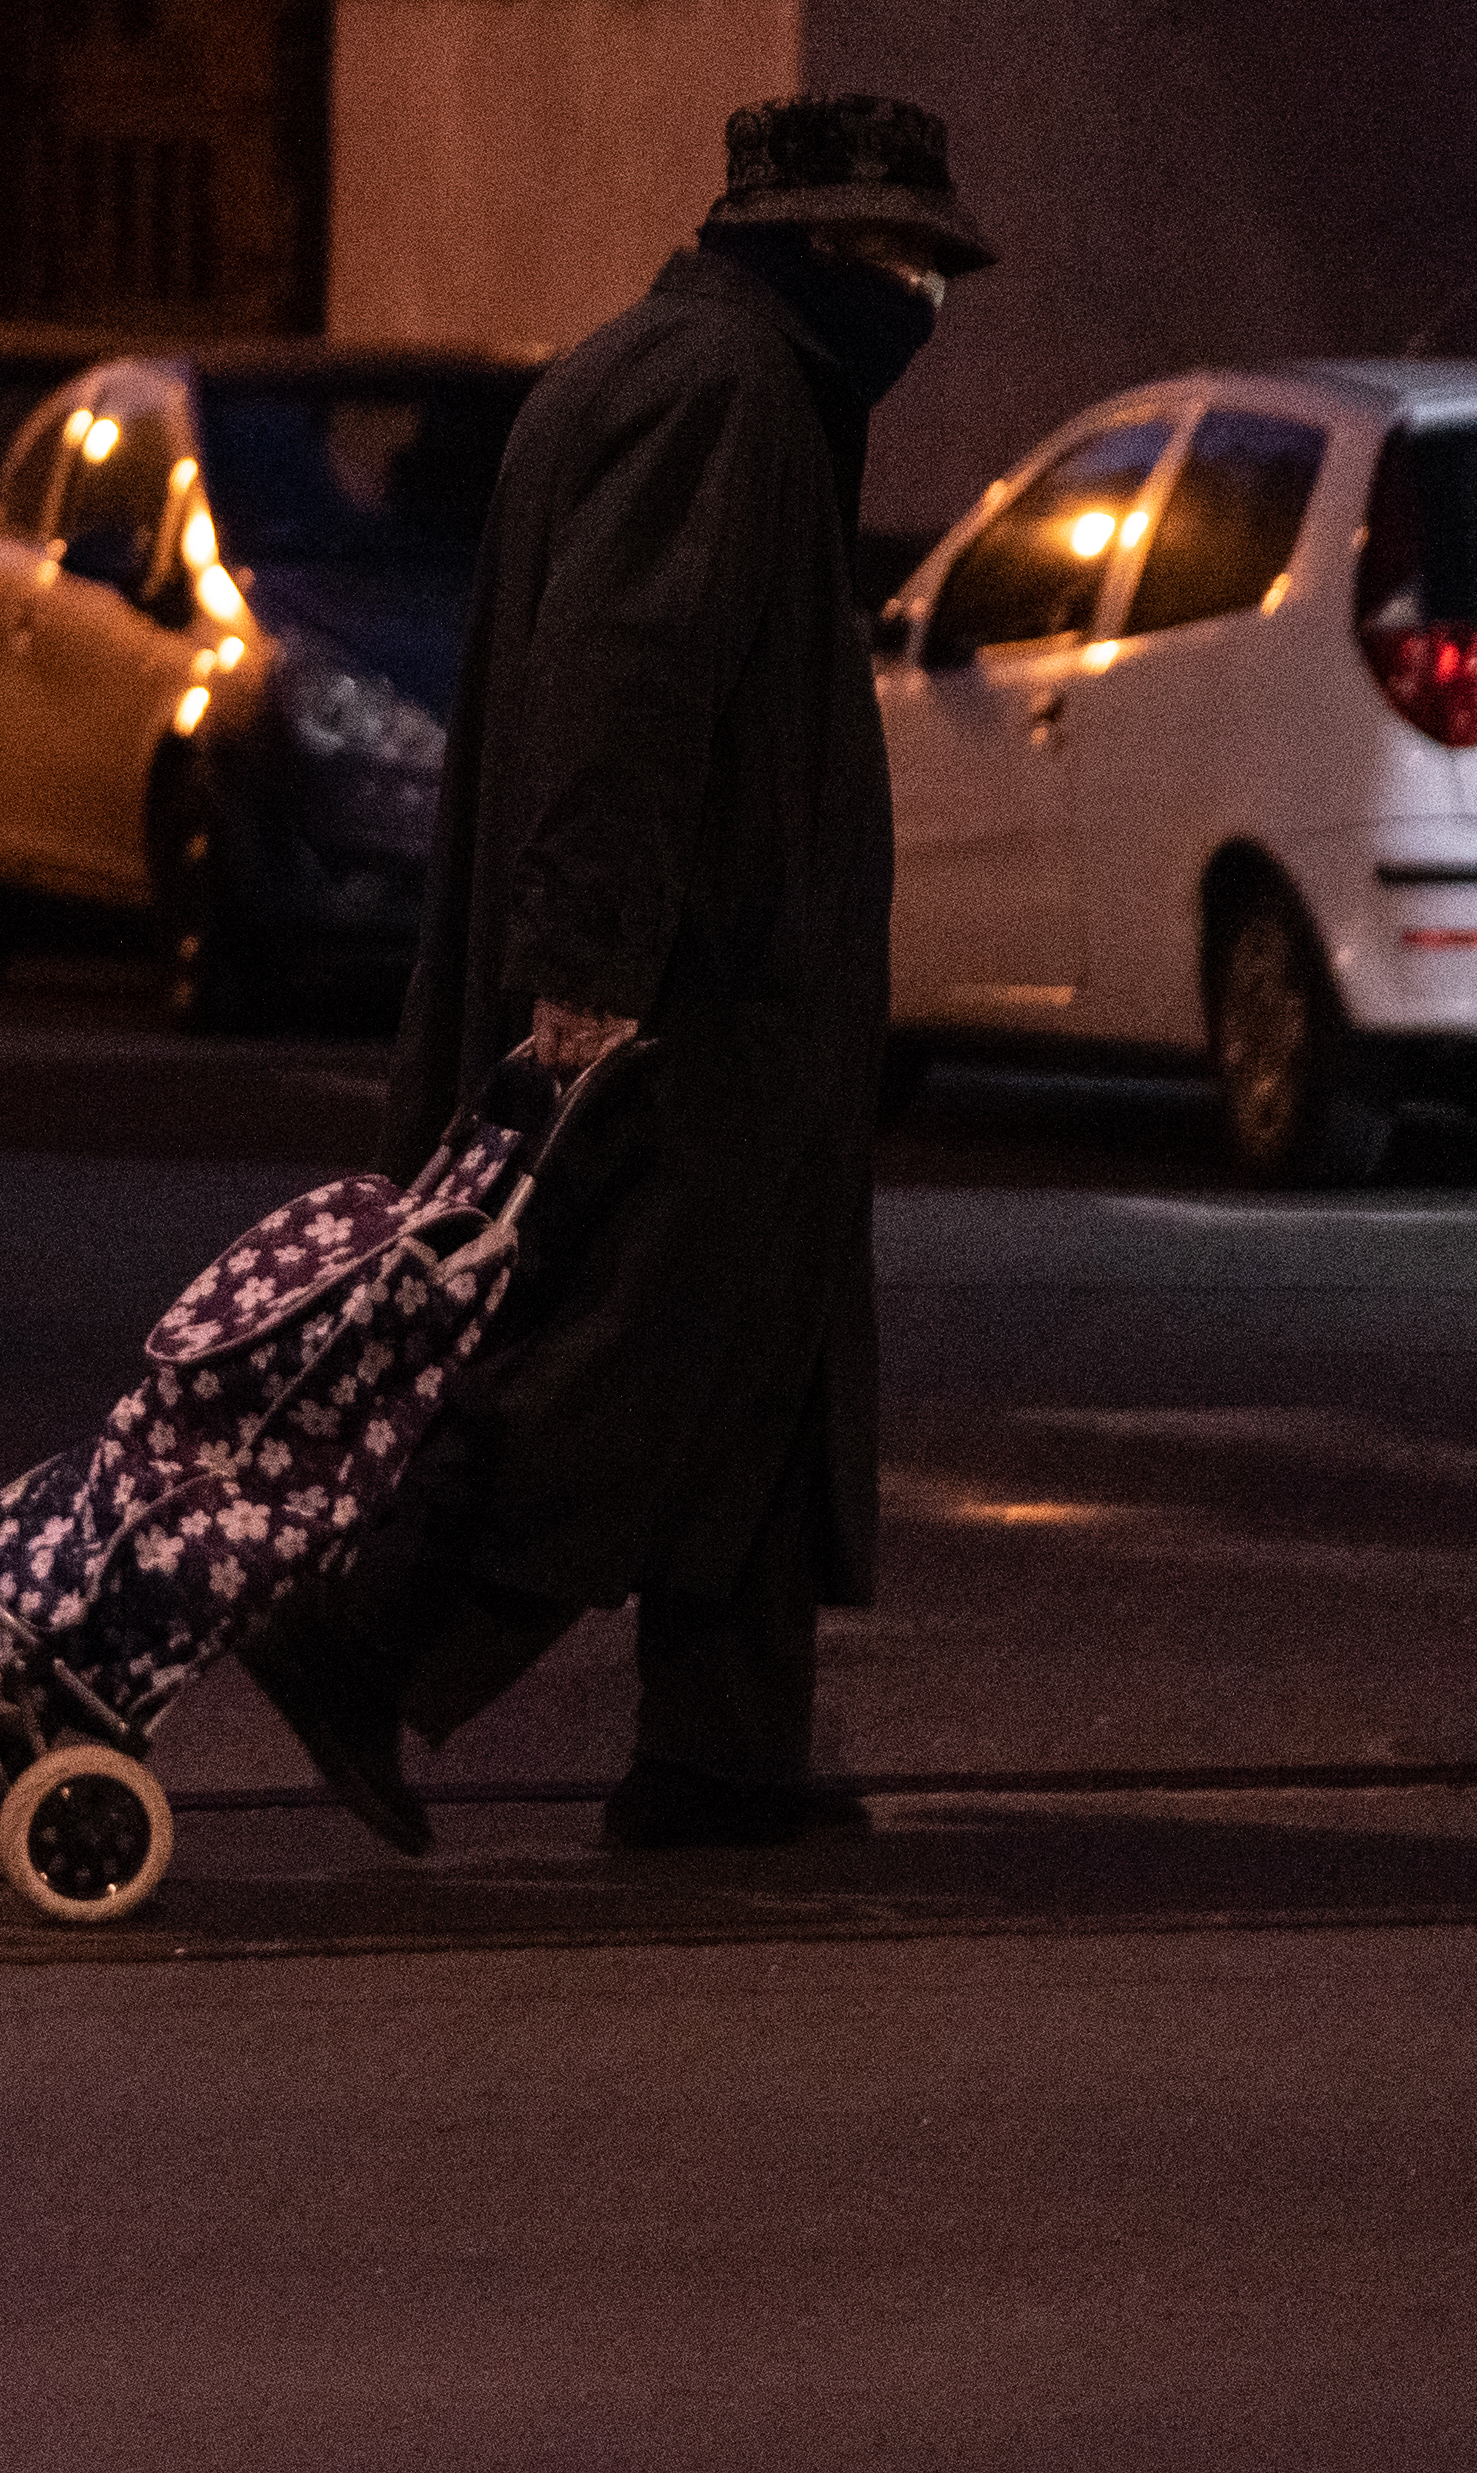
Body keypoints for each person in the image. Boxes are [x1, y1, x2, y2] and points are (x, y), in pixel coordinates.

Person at [240, 91, 995, 1853]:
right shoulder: (720, 396)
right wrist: (587, 973)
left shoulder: (676, 374)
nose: (925, 304)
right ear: (808, 244)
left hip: (724, 1002)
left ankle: (722, 1762)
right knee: (628, 1361)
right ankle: (367, 1636)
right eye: (898, 261)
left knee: (754, 1368)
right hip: (687, 1010)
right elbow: (624, 696)